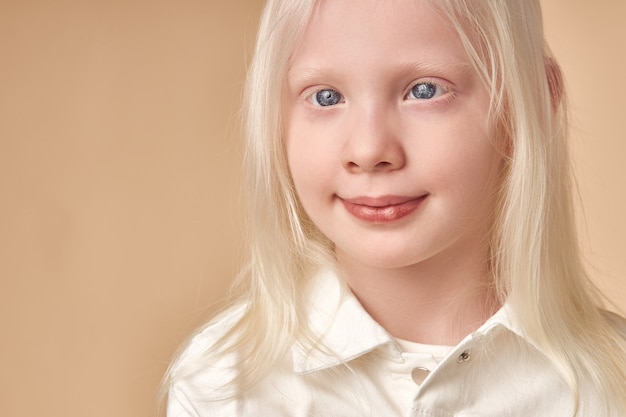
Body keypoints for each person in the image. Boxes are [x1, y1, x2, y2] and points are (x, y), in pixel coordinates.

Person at [164, 0, 626, 415]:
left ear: (531, 104)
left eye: (425, 90)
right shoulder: (224, 388)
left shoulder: (610, 388)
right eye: (326, 97)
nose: (368, 150)